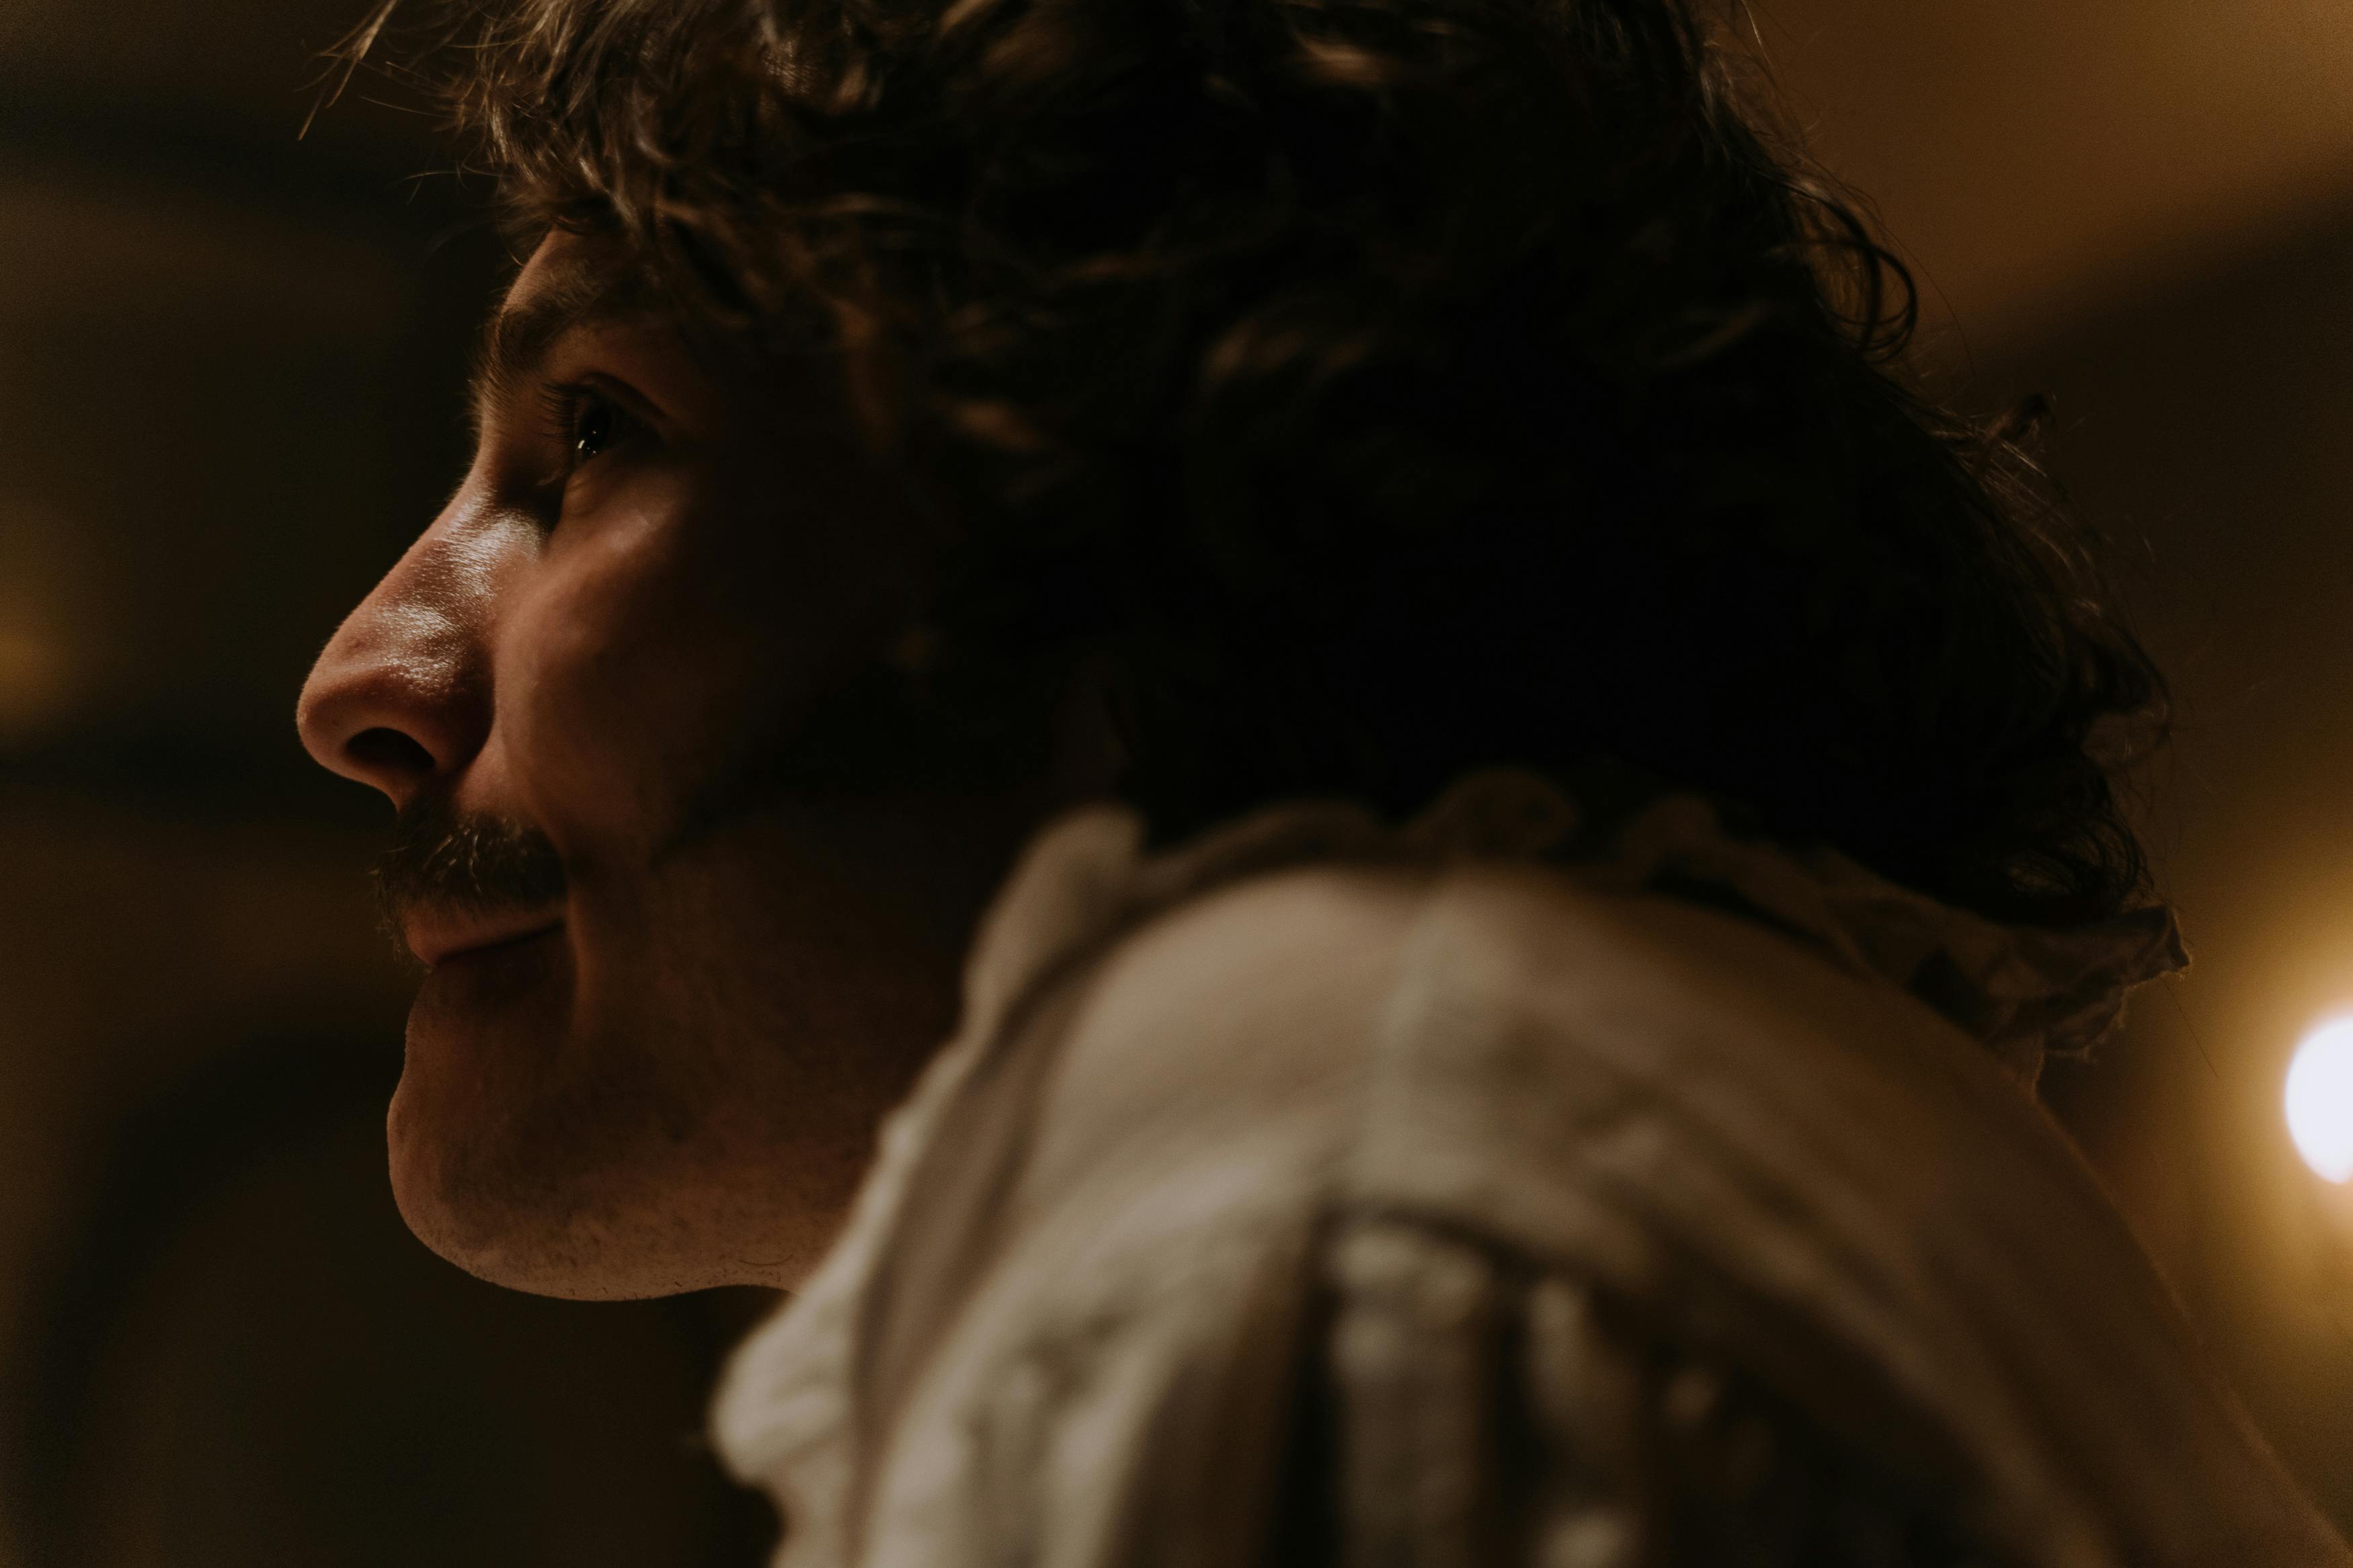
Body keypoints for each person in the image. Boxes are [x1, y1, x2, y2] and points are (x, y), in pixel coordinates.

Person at [294, 0, 2349, 1561]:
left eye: (590, 438)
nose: (357, 678)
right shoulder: (1542, 1136)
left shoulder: (1326, 1229)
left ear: (1134, 482)